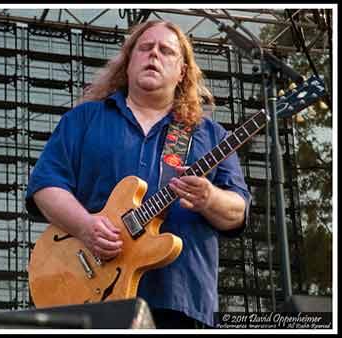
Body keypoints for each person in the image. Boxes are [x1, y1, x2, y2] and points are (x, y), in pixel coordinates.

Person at [26, 20, 251, 329]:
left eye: (165, 51)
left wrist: (209, 198)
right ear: (128, 62)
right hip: (92, 299)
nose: (153, 55)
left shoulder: (212, 136)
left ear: (182, 71)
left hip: (181, 302)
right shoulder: (82, 120)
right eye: (145, 48)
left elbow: (238, 212)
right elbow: (46, 186)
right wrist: (85, 226)